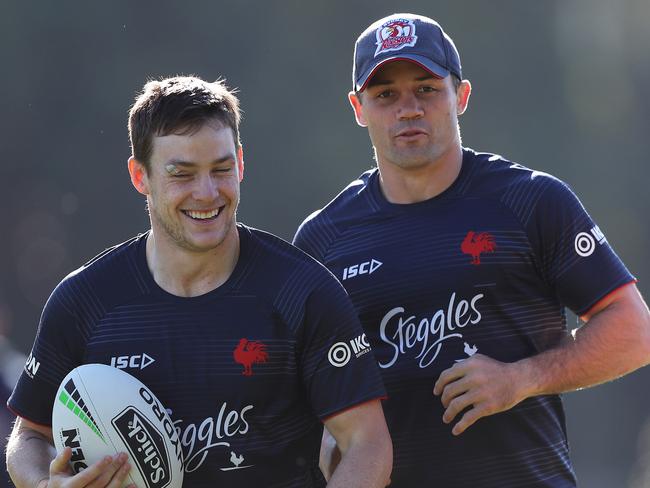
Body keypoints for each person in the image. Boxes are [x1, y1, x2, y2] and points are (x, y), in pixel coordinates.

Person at [293, 12, 650, 487]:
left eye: (425, 88)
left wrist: (520, 379)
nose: (408, 109)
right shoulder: (322, 239)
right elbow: (304, 392)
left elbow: (634, 332)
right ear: (358, 109)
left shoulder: (531, 201)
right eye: (385, 95)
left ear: (460, 96)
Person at [6, 76, 392, 487]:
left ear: (241, 163)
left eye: (221, 169)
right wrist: (46, 484)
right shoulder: (83, 301)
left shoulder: (304, 292)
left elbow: (367, 444)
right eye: (182, 174)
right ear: (141, 177)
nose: (207, 193)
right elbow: (29, 434)